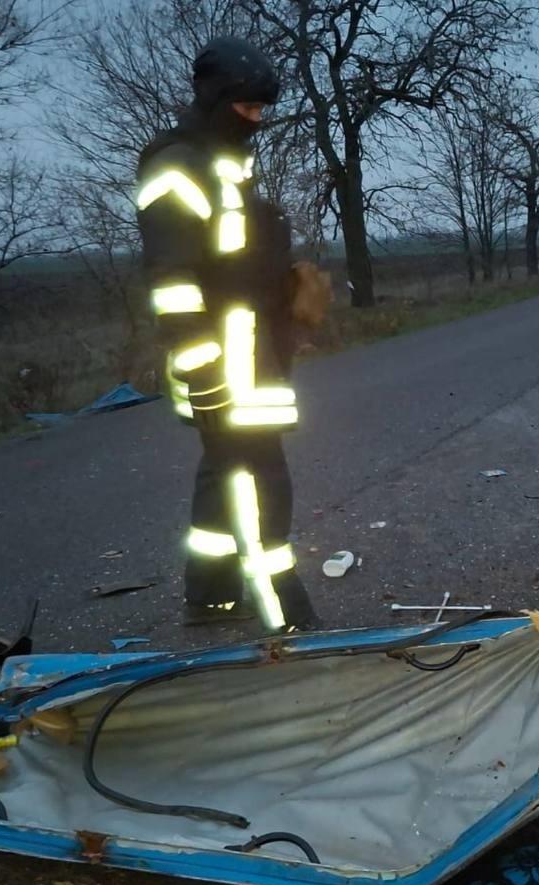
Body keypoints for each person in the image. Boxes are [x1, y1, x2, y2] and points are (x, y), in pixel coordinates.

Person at [135, 37, 325, 631]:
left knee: (224, 471)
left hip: (255, 353)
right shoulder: (176, 165)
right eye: (246, 107)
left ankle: (210, 594)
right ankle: (283, 612)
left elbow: (234, 257)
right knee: (258, 479)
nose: (256, 119)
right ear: (217, 98)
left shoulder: (225, 161)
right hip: (221, 361)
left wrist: (286, 284)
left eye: (262, 109)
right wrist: (201, 371)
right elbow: (173, 281)